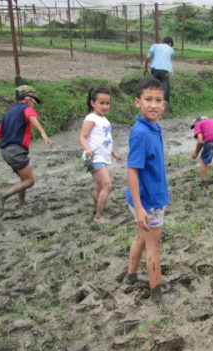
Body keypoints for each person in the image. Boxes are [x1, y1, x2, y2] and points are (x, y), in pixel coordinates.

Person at [125, 78, 170, 303]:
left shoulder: (153, 127)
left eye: (158, 100)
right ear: (137, 102)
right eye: (148, 99)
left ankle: (131, 276)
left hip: (148, 197)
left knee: (141, 238)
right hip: (148, 201)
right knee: (153, 247)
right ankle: (157, 293)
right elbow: (132, 171)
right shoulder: (140, 133)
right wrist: (140, 206)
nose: (153, 105)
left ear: (164, 105)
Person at [0, 85, 53, 215]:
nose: (34, 105)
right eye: (33, 102)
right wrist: (44, 134)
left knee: (23, 178)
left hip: (6, 151)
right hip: (16, 150)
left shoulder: (8, 113)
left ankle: (21, 202)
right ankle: (3, 195)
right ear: (27, 100)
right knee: (29, 181)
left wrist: (5, 148)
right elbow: (31, 117)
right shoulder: (26, 108)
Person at [79, 87, 122, 223]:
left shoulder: (104, 119)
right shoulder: (91, 118)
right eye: (101, 103)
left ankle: (96, 207)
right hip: (94, 157)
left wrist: (113, 152)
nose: (105, 106)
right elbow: (82, 137)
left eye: (107, 103)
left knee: (98, 186)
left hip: (102, 156)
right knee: (107, 185)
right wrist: (88, 150)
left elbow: (105, 139)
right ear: (93, 103)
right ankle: (99, 215)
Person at [144, 37, 175, 106]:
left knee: (154, 84)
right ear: (170, 43)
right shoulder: (171, 50)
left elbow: (148, 57)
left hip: (154, 69)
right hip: (165, 70)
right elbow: (169, 60)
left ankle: (150, 99)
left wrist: (145, 68)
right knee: (165, 82)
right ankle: (165, 101)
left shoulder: (155, 46)